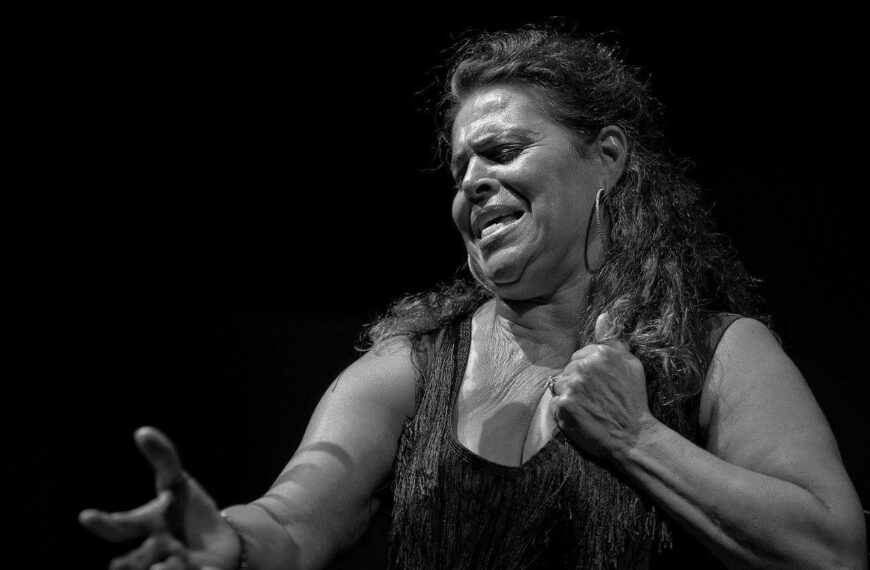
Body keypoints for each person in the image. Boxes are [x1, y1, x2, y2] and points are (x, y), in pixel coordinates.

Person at [79, 26, 867, 569]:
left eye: (500, 151)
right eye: (459, 170)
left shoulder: (720, 351)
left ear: (608, 159)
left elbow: (831, 550)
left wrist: (635, 438)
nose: (472, 185)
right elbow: (296, 516)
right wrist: (233, 543)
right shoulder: (410, 368)